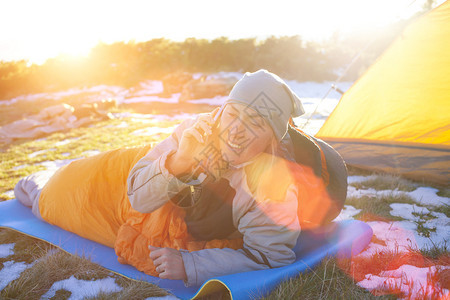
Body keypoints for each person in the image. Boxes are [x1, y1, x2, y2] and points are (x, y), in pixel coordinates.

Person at [14, 69, 347, 286]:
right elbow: (138, 193)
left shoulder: (272, 184)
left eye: (256, 124)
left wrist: (192, 265)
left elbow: (270, 255)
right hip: (138, 175)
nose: (236, 131)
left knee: (63, 204)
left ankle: (42, 196)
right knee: (75, 178)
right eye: (233, 114)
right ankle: (44, 187)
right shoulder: (199, 127)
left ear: (272, 141)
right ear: (222, 110)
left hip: (160, 220)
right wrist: (178, 162)